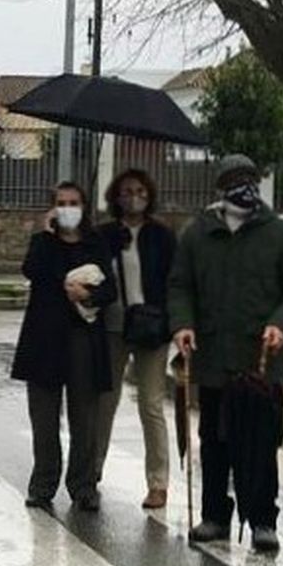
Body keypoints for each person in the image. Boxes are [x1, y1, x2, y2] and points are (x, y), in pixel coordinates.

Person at [168, 154, 283, 552]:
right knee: (214, 441)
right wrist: (182, 324)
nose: (244, 187)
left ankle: (263, 520)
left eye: (249, 179)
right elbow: (179, 286)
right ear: (221, 188)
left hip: (261, 363)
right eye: (236, 181)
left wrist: (282, 323)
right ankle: (215, 515)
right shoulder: (197, 234)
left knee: (260, 443)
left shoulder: (281, 235)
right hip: (214, 356)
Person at [11, 182, 117, 511]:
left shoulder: (96, 242)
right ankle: (43, 484)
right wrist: (45, 235)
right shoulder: (44, 243)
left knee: (84, 418)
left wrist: (89, 295)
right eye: (61, 202)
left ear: (84, 207)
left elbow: (110, 289)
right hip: (44, 339)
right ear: (53, 208)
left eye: (74, 202)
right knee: (43, 419)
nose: (68, 207)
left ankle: (83, 485)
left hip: (83, 337)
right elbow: (33, 270)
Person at [93, 169, 177, 509]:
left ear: (149, 194)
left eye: (140, 190)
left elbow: (176, 280)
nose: (133, 196)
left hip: (152, 327)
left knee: (151, 404)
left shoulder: (162, 236)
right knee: (104, 402)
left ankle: (158, 482)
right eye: (127, 191)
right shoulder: (103, 235)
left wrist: (174, 323)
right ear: (116, 196)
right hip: (112, 326)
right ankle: (91, 471)